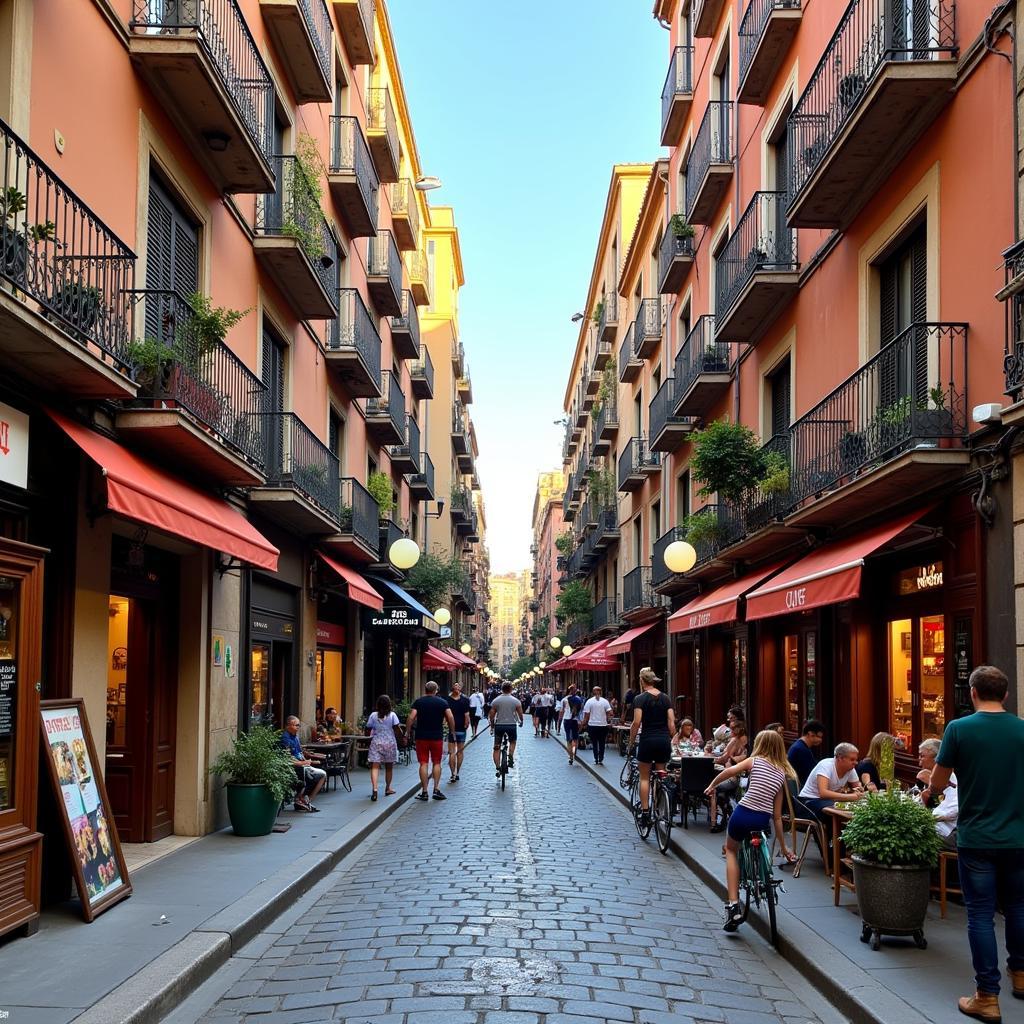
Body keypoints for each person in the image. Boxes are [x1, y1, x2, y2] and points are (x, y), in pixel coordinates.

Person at [924, 665, 1024, 1022]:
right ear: (1006, 695)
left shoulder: (959, 729)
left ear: (973, 693)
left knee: (980, 914)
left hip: (977, 835)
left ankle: (987, 995)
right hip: (1018, 836)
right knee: (1018, 906)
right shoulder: (1022, 730)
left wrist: (928, 793)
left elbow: (938, 781)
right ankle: (1022, 974)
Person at [706, 729, 797, 932]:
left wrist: (712, 785)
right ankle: (764, 872)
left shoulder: (754, 761)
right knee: (761, 837)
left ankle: (733, 904)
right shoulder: (781, 774)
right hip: (761, 820)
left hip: (743, 813)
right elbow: (777, 817)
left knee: (730, 850)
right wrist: (784, 847)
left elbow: (729, 772)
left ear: (760, 745)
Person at [627, 668, 676, 822]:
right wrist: (673, 739)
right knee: (661, 772)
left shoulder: (640, 699)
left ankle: (646, 812)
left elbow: (636, 722)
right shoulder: (666, 698)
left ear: (642, 681)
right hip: (663, 741)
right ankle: (660, 806)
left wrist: (630, 742)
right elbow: (671, 723)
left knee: (644, 778)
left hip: (647, 740)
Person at [405, 681, 456, 801]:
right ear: (436, 690)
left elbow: (411, 717)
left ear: (425, 690)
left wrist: (407, 732)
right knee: (437, 762)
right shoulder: (442, 702)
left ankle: (424, 792)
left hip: (421, 736)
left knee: (423, 763)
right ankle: (436, 790)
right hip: (436, 736)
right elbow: (450, 717)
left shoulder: (419, 702)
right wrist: (452, 731)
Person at [797, 742, 864, 820]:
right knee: (839, 812)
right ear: (840, 758)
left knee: (853, 808)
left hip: (827, 801)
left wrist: (860, 789)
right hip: (808, 802)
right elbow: (823, 793)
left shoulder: (850, 768)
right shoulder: (825, 765)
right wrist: (850, 796)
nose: (856, 763)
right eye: (852, 759)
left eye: (856, 760)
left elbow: (857, 787)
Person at [280, 716, 326, 812]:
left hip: (302, 765)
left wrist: (309, 761)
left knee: (323, 774)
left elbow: (300, 753)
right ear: (288, 726)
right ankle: (298, 798)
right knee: (307, 773)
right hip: (293, 767)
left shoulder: (295, 737)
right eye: (296, 725)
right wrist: (303, 763)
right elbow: (286, 759)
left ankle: (307, 800)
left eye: (299, 725)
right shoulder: (284, 738)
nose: (298, 727)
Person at [709, 722, 749, 832]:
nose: (730, 731)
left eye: (732, 729)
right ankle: (725, 814)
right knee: (721, 793)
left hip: (734, 778)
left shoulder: (735, 740)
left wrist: (711, 758)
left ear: (738, 729)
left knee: (714, 789)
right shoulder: (745, 740)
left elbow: (725, 757)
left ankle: (714, 822)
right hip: (741, 776)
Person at [365, 695, 401, 801]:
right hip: (390, 742)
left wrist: (367, 739)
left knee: (374, 767)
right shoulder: (393, 715)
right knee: (389, 767)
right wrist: (402, 737)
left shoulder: (373, 715)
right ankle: (388, 788)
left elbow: (368, 728)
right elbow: (396, 729)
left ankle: (375, 789)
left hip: (376, 742)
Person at [489, 680, 524, 775]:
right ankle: (511, 756)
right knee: (512, 741)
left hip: (499, 726)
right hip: (511, 725)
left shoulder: (496, 701)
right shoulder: (516, 701)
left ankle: (497, 767)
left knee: (496, 747)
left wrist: (492, 726)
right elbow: (520, 714)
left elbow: (491, 716)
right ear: (511, 689)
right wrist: (521, 721)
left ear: (502, 689)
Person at [787, 719, 825, 787]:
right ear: (810, 734)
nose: (821, 740)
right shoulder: (801, 750)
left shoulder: (800, 746)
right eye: (819, 737)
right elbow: (811, 774)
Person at [446, 682, 471, 783]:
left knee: (452, 752)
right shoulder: (465, 700)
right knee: (460, 752)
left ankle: (453, 774)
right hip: (460, 728)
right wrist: (466, 725)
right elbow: (467, 716)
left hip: (452, 728)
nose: (457, 688)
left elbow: (445, 715)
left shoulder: (447, 700)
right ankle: (457, 773)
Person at [581, 686, 612, 765]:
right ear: (600, 692)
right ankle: (601, 758)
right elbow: (610, 713)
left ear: (593, 692)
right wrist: (608, 719)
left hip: (592, 725)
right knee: (602, 742)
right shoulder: (605, 701)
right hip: (602, 725)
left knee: (594, 742)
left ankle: (596, 758)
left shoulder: (589, 701)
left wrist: (583, 723)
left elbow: (586, 715)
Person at [559, 684, 584, 765]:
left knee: (569, 739)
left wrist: (559, 721)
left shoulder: (564, 700)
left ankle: (570, 757)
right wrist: (581, 721)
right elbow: (581, 711)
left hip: (566, 720)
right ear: (575, 690)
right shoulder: (579, 699)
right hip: (575, 720)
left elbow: (561, 711)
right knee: (575, 738)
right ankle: (574, 752)